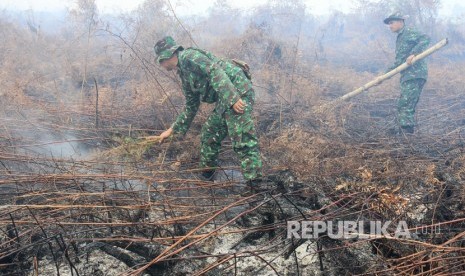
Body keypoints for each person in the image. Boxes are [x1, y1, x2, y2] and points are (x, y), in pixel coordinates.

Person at [153, 36, 263, 184]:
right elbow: (191, 105)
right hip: (227, 98)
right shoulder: (184, 74)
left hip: (238, 92)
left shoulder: (189, 56)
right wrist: (172, 130)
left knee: (242, 138)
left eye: (160, 61)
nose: (161, 65)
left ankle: (255, 186)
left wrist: (233, 98)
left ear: (165, 57)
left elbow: (214, 70)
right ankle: (207, 176)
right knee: (209, 133)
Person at [384, 12, 430, 134]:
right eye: (389, 24)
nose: (390, 26)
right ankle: (404, 130)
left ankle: (406, 134)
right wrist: (383, 76)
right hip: (408, 76)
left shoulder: (409, 31)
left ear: (400, 21)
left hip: (414, 74)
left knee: (406, 104)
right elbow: (399, 62)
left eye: (391, 23)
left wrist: (414, 53)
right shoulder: (400, 37)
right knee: (405, 103)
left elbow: (425, 38)